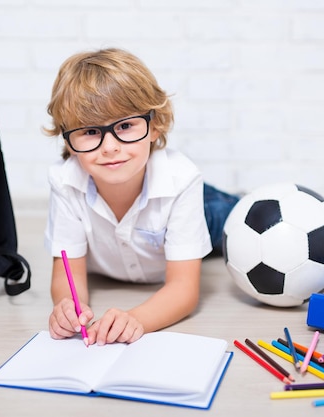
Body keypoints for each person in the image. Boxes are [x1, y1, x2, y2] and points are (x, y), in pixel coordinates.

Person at [43, 48, 239, 346]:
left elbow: (184, 291)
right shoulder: (64, 181)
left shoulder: (182, 179)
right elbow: (67, 276)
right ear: (68, 140)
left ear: (154, 125)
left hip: (200, 207)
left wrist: (136, 319)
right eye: (91, 131)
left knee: (238, 218)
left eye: (125, 126)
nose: (110, 147)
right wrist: (69, 307)